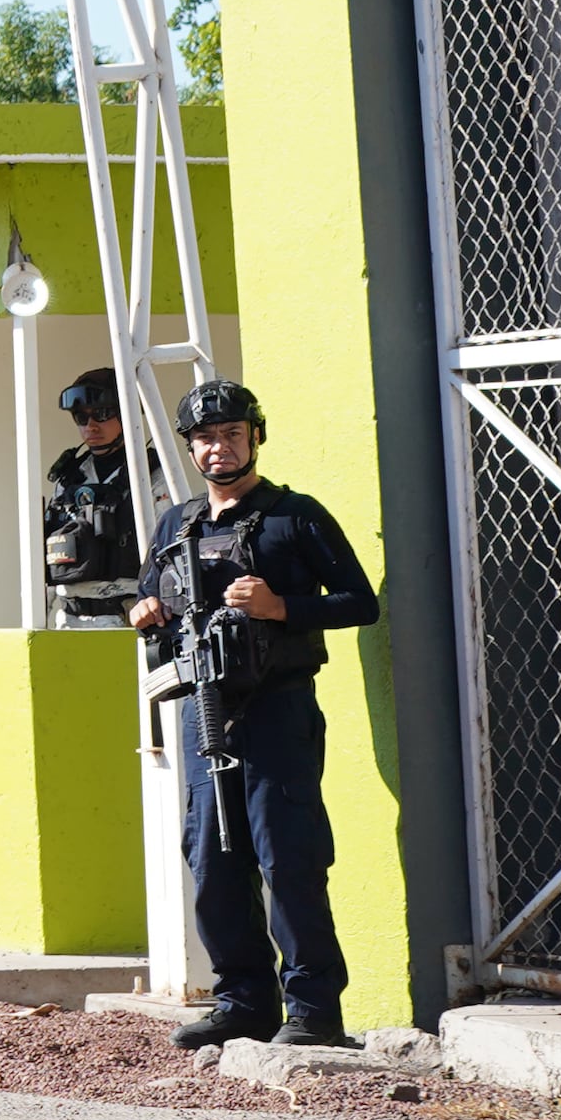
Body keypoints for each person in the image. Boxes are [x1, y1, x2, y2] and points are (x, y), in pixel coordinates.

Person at [128, 376, 380, 1050]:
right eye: (206, 437)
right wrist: (144, 609)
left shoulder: (295, 517)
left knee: (288, 856)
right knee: (212, 859)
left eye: (233, 434)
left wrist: (280, 607)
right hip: (204, 709)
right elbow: (151, 596)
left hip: (278, 710)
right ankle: (243, 1003)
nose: (220, 447)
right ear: (190, 448)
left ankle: (314, 1013)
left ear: (256, 437)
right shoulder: (176, 524)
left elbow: (360, 602)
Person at [40, 367, 143, 625]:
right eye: (81, 417)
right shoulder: (69, 478)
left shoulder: (147, 473)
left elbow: (164, 555)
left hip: (125, 616)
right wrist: (37, 618)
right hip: (69, 617)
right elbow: (51, 547)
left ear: (126, 414)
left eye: (102, 414)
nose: (91, 426)